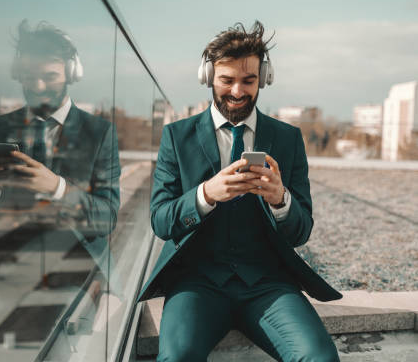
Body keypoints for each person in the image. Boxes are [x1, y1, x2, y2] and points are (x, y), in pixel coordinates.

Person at [137, 21, 341, 361]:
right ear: (208, 77)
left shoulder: (288, 139)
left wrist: (281, 199)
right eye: (226, 80)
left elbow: (301, 230)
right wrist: (206, 194)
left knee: (319, 357)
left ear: (264, 78)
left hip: (267, 284)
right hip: (196, 284)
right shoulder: (177, 137)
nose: (237, 91)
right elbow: (160, 221)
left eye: (248, 81)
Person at [0, 20, 121, 278]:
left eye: (49, 76)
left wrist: (57, 188)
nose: (38, 86)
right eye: (29, 77)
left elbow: (107, 217)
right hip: (6, 264)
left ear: (71, 73)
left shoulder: (99, 133)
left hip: (73, 266)